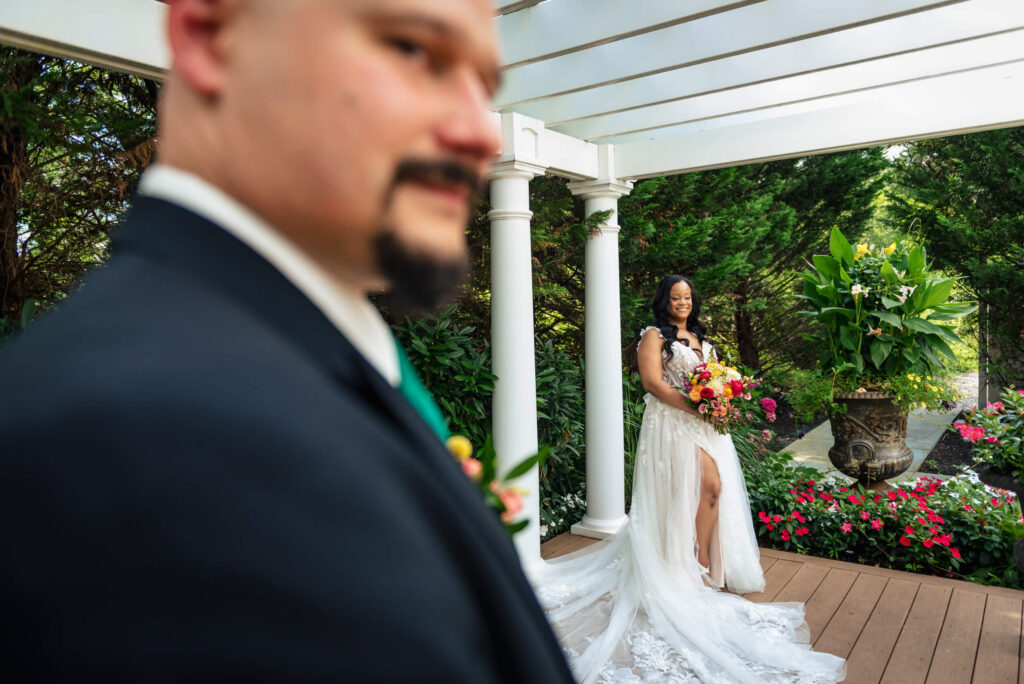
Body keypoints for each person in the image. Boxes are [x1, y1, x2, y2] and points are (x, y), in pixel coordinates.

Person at [0, 1, 574, 681]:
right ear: (210, 37)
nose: (484, 132)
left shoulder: (306, 355)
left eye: (487, 85)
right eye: (417, 50)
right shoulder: (151, 436)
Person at [530, 275, 846, 683]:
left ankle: (703, 564)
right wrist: (697, 407)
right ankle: (691, 565)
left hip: (704, 425)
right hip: (671, 424)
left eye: (688, 297)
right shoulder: (653, 336)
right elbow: (652, 383)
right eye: (676, 297)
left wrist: (722, 400)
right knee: (699, 488)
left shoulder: (699, 337)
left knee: (711, 490)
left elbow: (712, 381)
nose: (683, 302)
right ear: (665, 301)